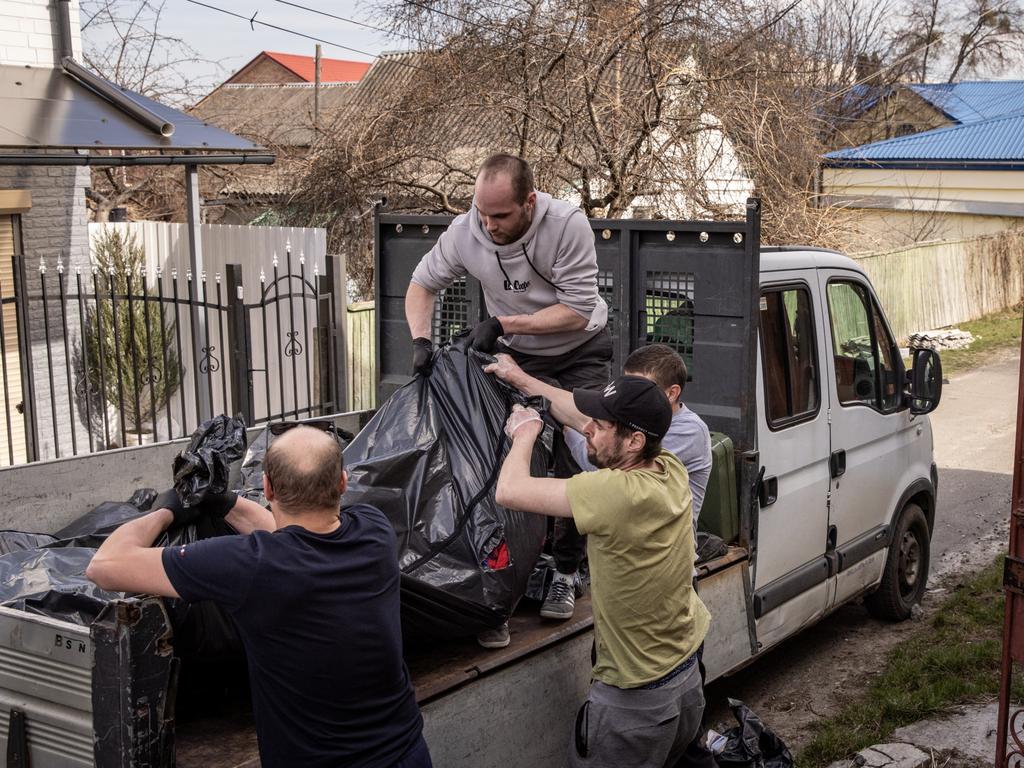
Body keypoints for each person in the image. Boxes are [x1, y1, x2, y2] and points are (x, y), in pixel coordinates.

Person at [86, 425, 431, 768]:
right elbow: (293, 536)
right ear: (343, 482)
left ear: (266, 487)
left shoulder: (250, 565)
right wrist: (225, 502)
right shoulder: (375, 530)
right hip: (407, 754)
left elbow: (105, 565)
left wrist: (166, 510)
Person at [405, 153, 612, 643]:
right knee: (500, 454)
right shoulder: (466, 231)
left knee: (572, 455)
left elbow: (580, 311)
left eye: (500, 216)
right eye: (482, 212)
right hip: (517, 352)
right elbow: (421, 284)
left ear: (529, 202)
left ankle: (565, 570)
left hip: (577, 349)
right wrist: (419, 340)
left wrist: (503, 323)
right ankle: (501, 577)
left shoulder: (566, 225)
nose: (489, 225)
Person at [492, 374, 709, 768]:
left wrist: (525, 433)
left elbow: (509, 490)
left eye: (601, 425)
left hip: (635, 701)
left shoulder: (615, 493)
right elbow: (580, 419)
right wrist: (520, 377)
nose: (587, 428)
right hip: (685, 676)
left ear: (633, 441)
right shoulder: (669, 465)